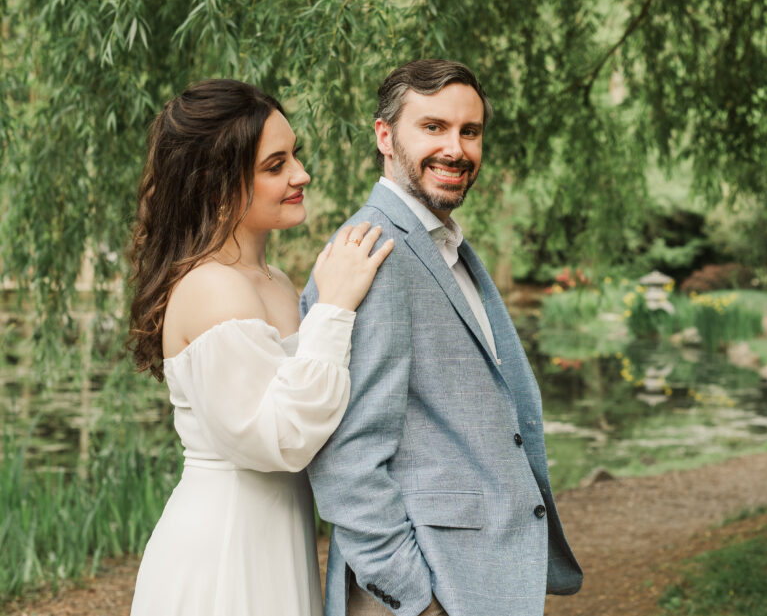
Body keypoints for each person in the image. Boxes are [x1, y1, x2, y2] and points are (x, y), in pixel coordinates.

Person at [300, 59, 583, 616]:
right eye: (433, 127)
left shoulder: (441, 244)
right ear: (385, 136)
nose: (455, 149)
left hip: (472, 577)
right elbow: (347, 460)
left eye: (469, 131)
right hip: (425, 590)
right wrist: (416, 600)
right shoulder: (374, 251)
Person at [127, 79, 393, 616]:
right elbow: (283, 437)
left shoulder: (273, 279)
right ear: (215, 181)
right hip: (226, 549)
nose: (301, 175)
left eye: (294, 155)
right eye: (276, 165)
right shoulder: (211, 287)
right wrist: (334, 308)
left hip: (277, 536)